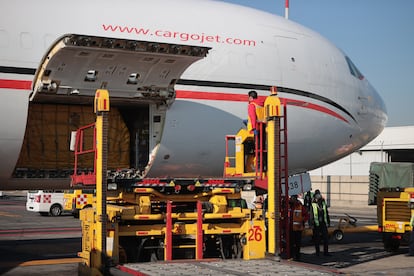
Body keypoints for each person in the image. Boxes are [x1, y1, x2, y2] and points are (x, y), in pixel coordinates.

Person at [310, 191, 331, 256]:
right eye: (317, 195)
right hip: (316, 224)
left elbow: (326, 213)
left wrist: (328, 222)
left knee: (326, 238)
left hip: (323, 223)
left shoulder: (323, 203)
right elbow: (311, 215)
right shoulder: (313, 205)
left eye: (319, 195)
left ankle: (326, 252)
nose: (318, 197)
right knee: (317, 239)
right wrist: (312, 224)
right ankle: (317, 252)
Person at [289, 194, 309, 261]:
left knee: (297, 244)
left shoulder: (300, 207)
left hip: (298, 229)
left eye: (292, 198)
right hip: (290, 228)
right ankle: (292, 256)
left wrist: (302, 220)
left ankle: (297, 257)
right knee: (291, 244)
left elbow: (306, 215)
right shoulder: (289, 206)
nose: (291, 199)